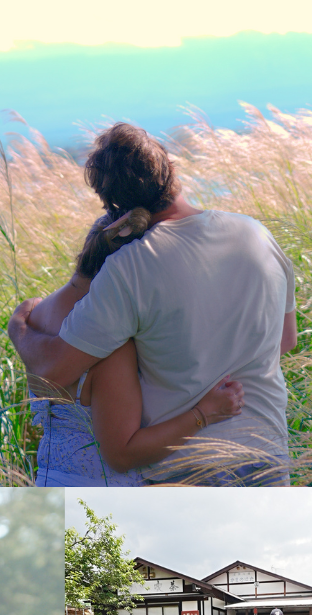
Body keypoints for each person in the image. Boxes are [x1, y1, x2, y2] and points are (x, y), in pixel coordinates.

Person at [7, 122, 297, 486]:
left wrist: (18, 327)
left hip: (186, 468)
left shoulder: (128, 269)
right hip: (266, 454)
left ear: (113, 206)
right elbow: (286, 341)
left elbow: (53, 374)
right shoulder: (257, 234)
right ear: (172, 172)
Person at [26, 208, 245, 485]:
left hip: (48, 480)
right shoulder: (105, 342)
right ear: (128, 267)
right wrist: (204, 414)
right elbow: (123, 453)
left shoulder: (35, 314)